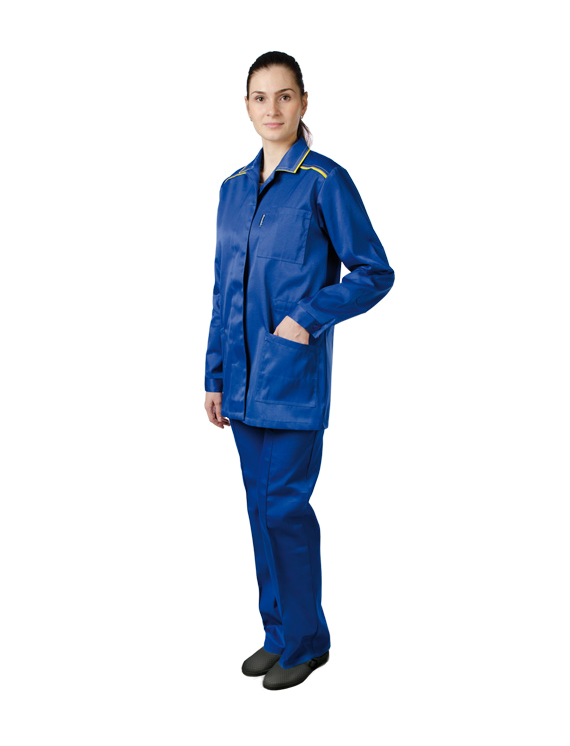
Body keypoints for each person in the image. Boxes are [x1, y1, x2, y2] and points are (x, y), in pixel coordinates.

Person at [204, 51, 395, 691]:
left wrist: (308, 316)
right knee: (259, 510)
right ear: (247, 107)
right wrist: (214, 375)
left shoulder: (324, 181)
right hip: (242, 382)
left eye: (284, 96)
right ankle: (278, 633)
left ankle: (309, 643)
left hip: (290, 378)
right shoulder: (234, 190)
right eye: (260, 98)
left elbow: (373, 272)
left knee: (284, 508)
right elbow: (225, 291)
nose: (273, 109)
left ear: (303, 103)